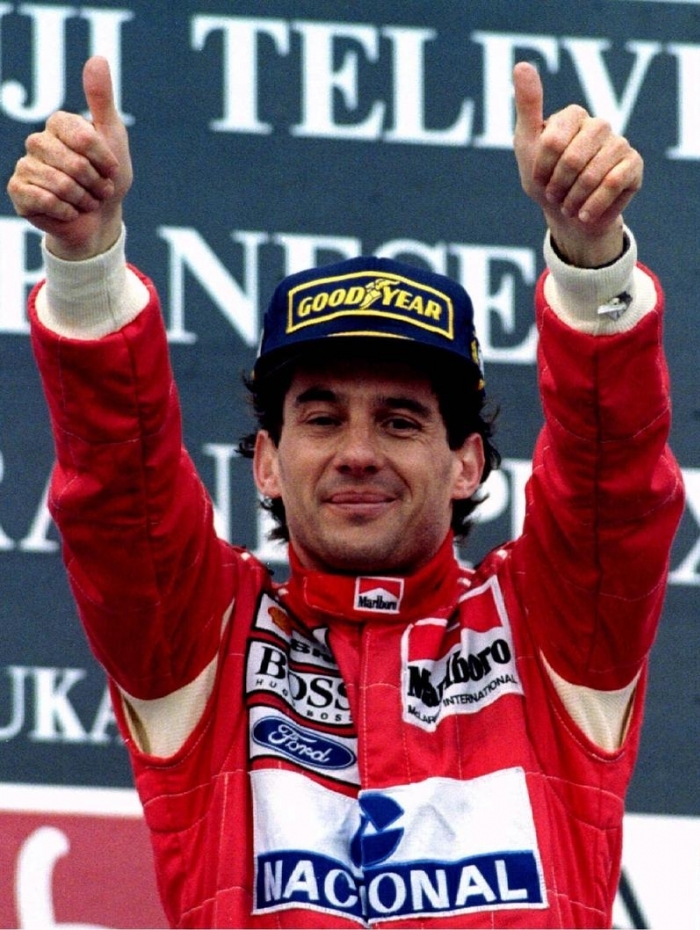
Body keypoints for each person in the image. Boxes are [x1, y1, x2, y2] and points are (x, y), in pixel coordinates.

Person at [8, 55, 684, 930]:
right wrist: (85, 258)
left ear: (469, 463)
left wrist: (592, 259)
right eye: (322, 418)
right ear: (264, 463)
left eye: (401, 421)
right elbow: (115, 487)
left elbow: (615, 481)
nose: (358, 452)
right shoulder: (202, 647)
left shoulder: (553, 635)